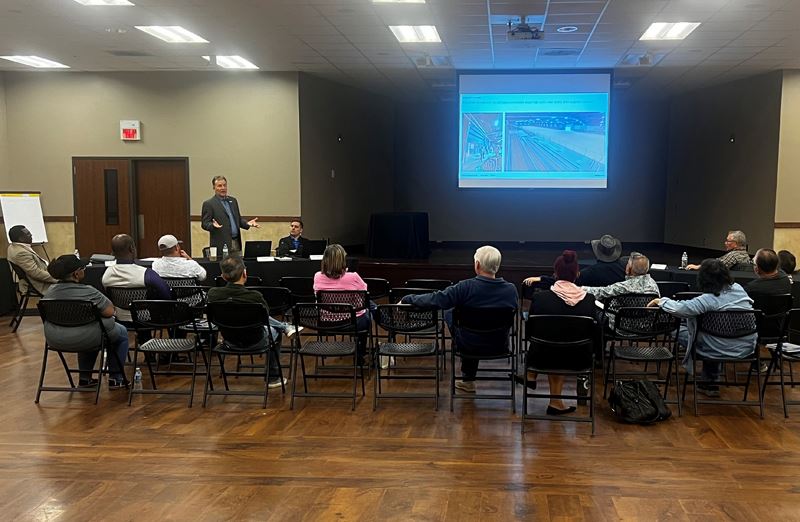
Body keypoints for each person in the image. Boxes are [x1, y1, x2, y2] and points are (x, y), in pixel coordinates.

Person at [400, 246, 518, 393]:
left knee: (451, 312)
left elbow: (437, 299)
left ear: (477, 265)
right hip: (499, 344)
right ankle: (468, 378)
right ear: (498, 265)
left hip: (468, 344)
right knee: (475, 324)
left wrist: (408, 298)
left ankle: (468, 379)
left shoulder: (464, 287)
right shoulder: (511, 290)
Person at [648, 259, 756, 397]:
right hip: (745, 347)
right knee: (711, 333)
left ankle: (709, 381)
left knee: (676, 328)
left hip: (716, 347)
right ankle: (710, 382)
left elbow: (681, 309)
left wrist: (661, 301)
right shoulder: (739, 289)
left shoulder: (708, 299)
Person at [207, 256, 299, 388]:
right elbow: (265, 317)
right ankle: (273, 377)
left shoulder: (213, 294)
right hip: (256, 341)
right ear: (245, 273)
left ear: (223, 276)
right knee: (276, 331)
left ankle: (284, 327)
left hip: (228, 342)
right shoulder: (254, 297)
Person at [523, 250, 597, 415]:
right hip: (579, 359)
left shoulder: (541, 298)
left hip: (543, 356)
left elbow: (529, 333)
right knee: (562, 344)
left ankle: (531, 375)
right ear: (577, 274)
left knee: (551, 343)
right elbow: (594, 333)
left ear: (555, 274)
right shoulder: (589, 300)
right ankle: (555, 403)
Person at [42, 254, 129, 389]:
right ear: (76, 274)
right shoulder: (89, 292)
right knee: (120, 333)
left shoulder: (49, 292)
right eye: (83, 268)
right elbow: (110, 311)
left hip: (55, 339)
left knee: (87, 328)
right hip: (87, 337)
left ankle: (85, 378)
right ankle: (116, 378)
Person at [312, 244, 371, 364]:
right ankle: (360, 353)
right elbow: (364, 294)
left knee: (369, 307)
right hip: (352, 322)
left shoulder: (317, 276)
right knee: (369, 311)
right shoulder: (353, 277)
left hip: (326, 321)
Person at [101, 234, 172, 322]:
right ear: (132, 249)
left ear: (112, 252)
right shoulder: (146, 274)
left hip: (119, 318)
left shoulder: (106, 275)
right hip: (146, 319)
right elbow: (167, 294)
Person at [200, 175, 260, 253]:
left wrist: (247, 223)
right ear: (214, 187)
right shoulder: (209, 204)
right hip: (221, 245)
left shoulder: (233, 201)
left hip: (236, 243)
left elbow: (238, 219)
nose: (223, 188)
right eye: (219, 186)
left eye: (224, 185)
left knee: (239, 265)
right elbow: (204, 224)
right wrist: (212, 225)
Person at [581, 252, 660, 301]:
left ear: (629, 268)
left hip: (622, 324)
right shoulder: (653, 284)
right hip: (647, 325)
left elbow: (600, 292)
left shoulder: (623, 287)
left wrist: (580, 288)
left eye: (627, 264)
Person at [6, 224, 57, 295]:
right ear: (21, 238)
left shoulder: (14, 246)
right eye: (28, 234)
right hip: (41, 284)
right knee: (71, 286)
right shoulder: (20, 253)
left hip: (45, 274)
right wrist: (58, 278)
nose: (31, 235)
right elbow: (36, 274)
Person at [686, 230, 752, 270]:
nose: (725, 243)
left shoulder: (733, 255)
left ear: (736, 243)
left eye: (728, 241)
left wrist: (698, 267)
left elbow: (716, 266)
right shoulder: (745, 255)